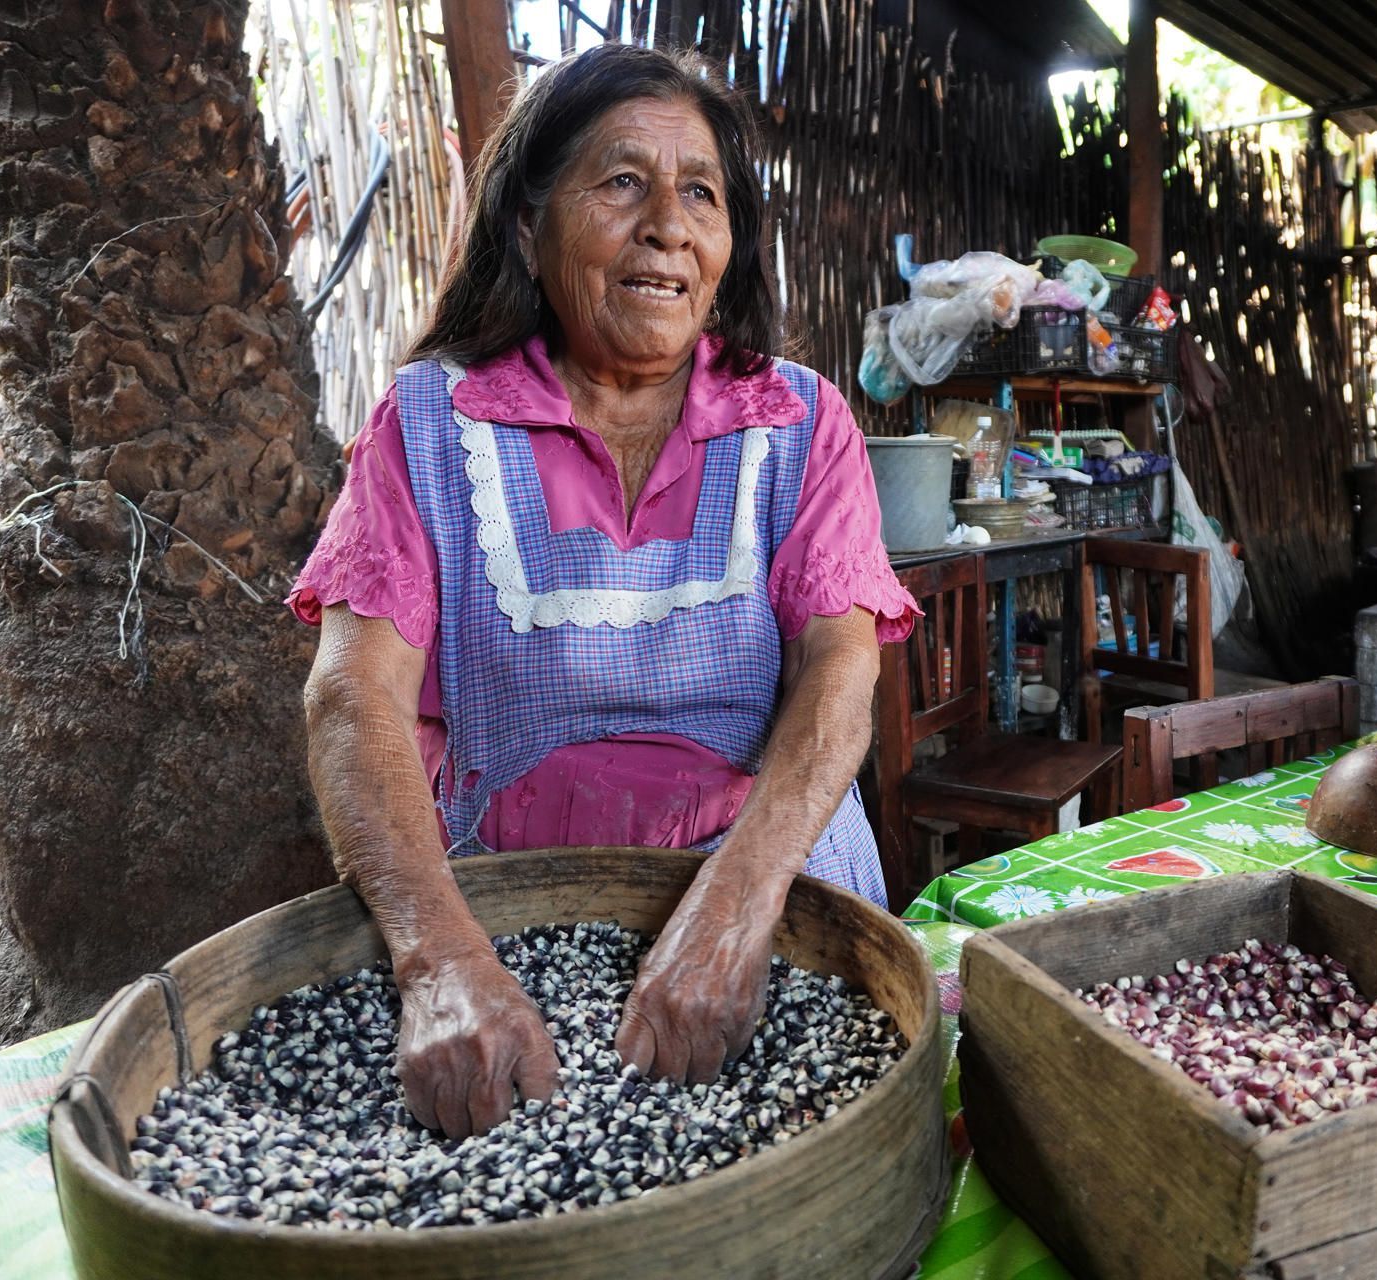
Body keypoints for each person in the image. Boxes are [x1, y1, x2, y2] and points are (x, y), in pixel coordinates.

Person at [292, 43, 916, 1139]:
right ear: (529, 229)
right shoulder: (429, 424)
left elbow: (840, 665)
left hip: (775, 887)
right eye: (622, 181)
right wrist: (442, 961)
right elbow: (355, 696)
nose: (668, 224)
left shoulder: (802, 422)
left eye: (702, 194)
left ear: (728, 246)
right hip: (510, 924)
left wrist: (732, 909)